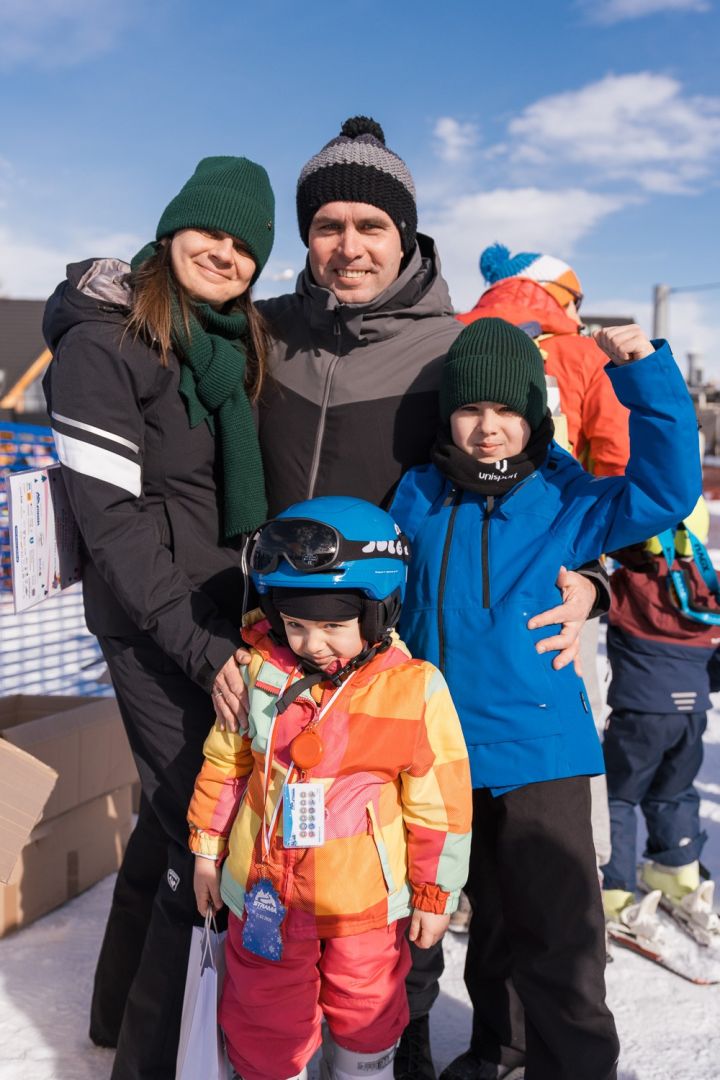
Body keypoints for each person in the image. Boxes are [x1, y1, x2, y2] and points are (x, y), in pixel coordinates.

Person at [252, 118, 609, 1079]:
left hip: (407, 677)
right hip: (287, 647)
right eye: (327, 225)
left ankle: (443, 1046)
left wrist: (596, 584)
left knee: (434, 889)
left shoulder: (451, 352)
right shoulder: (267, 335)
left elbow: (561, 489)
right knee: (329, 884)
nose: (349, 246)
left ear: (407, 235)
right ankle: (354, 1049)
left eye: (371, 224)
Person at [388, 317, 701, 1080]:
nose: (488, 427)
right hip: (439, 750)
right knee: (488, 928)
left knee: (559, 936)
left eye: (506, 410)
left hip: (539, 748)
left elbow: (666, 492)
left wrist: (644, 375)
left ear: (533, 414)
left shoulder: (565, 494)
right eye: (471, 410)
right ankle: (501, 1051)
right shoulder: (418, 493)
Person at [41, 156, 275, 1080]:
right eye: (211, 230)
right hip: (152, 623)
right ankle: (150, 1058)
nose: (225, 252)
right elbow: (114, 525)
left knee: (164, 819)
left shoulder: (225, 345)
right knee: (198, 827)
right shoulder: (101, 344)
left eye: (245, 245)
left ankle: (112, 1015)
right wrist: (202, 648)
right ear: (173, 228)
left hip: (221, 612)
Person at [188, 496, 473, 1080]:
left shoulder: (412, 690)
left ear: (376, 612)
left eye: (333, 626)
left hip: (360, 901)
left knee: (367, 1004)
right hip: (265, 891)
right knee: (263, 1010)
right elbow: (226, 764)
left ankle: (361, 1070)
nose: (312, 643)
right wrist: (206, 852)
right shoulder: (258, 674)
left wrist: (434, 893)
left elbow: (439, 804)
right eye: (295, 624)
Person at [456, 242, 634, 877]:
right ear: (557, 294)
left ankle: (457, 873)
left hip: (455, 549)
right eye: (575, 298)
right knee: (565, 716)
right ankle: (579, 864)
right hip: (557, 558)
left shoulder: (453, 339)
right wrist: (594, 565)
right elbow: (616, 456)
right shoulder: (583, 352)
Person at [601, 498, 720, 945]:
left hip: (640, 713)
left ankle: (614, 892)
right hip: (692, 716)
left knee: (617, 797)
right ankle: (677, 873)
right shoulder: (709, 588)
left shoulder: (628, 583)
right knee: (675, 791)